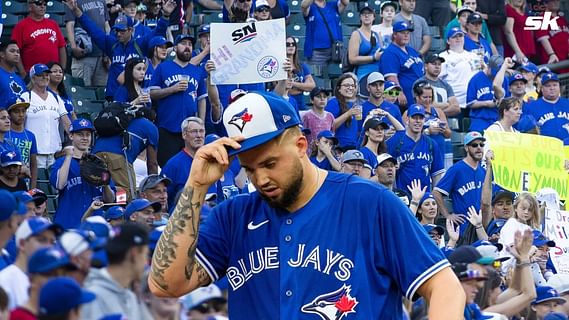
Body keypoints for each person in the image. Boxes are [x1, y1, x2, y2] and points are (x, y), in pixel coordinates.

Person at [148, 91, 466, 318]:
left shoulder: (369, 202)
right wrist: (196, 185)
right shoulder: (233, 215)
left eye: (270, 163)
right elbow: (165, 284)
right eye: (249, 168)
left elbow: (445, 288)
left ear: (302, 145)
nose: (261, 179)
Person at [63, 0, 175, 100]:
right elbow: (92, 28)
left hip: (135, 95)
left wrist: (166, 15)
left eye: (122, 31)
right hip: (114, 96)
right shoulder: (111, 44)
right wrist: (76, 10)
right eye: (116, 30)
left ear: (131, 30)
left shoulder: (140, 44)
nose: (118, 34)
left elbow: (157, 32)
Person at [149, 34, 208, 167]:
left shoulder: (197, 71)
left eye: (190, 44)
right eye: (183, 43)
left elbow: (202, 99)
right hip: (167, 127)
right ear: (175, 47)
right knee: (168, 167)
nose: (187, 47)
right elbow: (152, 93)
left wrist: (201, 123)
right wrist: (172, 89)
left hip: (191, 130)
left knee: (193, 169)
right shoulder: (163, 68)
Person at [50, 119, 116, 229]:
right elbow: (59, 185)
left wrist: (105, 183)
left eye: (88, 134)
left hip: (94, 225)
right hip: (68, 224)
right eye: (80, 134)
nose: (85, 138)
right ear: (71, 136)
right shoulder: (61, 162)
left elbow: (110, 199)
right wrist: (68, 157)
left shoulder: (98, 164)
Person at [81, 223, 152, 320]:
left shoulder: (130, 296)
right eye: (145, 254)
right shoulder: (92, 297)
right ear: (134, 254)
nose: (146, 262)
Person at [92, 101, 159, 201]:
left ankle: (107, 209)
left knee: (102, 190)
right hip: (118, 158)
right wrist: (153, 188)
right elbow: (152, 164)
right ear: (153, 118)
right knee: (127, 194)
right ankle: (119, 211)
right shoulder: (151, 127)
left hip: (95, 154)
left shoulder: (125, 119)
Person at [0, 217, 62, 310]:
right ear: (22, 244)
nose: (48, 247)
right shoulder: (5, 281)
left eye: (52, 242)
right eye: (41, 240)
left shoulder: (50, 282)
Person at [22, 64, 71, 169]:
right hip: (34, 152)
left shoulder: (56, 97)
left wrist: (73, 137)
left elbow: (66, 121)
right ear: (33, 78)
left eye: (47, 75)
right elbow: (19, 123)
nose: (45, 77)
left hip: (54, 152)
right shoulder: (26, 97)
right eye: (41, 75)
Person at [433, 131, 486, 227]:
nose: (479, 148)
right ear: (466, 148)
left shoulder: (483, 171)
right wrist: (447, 215)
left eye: (481, 145)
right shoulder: (456, 169)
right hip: (463, 227)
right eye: (474, 145)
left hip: (481, 225)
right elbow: (436, 192)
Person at [387, 104, 445, 192]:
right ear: (407, 120)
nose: (417, 121)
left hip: (425, 197)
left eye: (420, 118)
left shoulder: (431, 144)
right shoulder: (395, 141)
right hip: (402, 195)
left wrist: (433, 197)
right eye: (414, 118)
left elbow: (436, 174)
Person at [10, 246, 74, 319]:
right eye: (51, 275)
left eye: (63, 275)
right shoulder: (17, 317)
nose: (59, 281)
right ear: (31, 279)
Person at [11, 0, 66, 76]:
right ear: (29, 6)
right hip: (33, 74)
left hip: (53, 73)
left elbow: (61, 47)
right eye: (38, 3)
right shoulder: (20, 26)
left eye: (44, 4)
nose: (42, 6)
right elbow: (15, 51)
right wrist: (22, 72)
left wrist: (62, 69)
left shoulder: (53, 24)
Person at [161, 117, 205, 210]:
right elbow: (164, 199)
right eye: (194, 131)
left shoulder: (212, 161)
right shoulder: (173, 165)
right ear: (184, 135)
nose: (199, 135)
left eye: (201, 131)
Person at [64, 0, 109, 87]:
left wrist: (108, 50)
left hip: (101, 56)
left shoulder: (101, 1)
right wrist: (73, 47)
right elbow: (70, 25)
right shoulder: (74, 1)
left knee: (102, 93)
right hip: (84, 55)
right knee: (83, 91)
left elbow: (106, 25)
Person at [380, 21, 425, 108]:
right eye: (403, 33)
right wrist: (399, 92)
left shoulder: (411, 50)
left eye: (408, 33)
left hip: (419, 96)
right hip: (405, 99)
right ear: (395, 35)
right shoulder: (390, 53)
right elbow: (391, 77)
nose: (406, 35)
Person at [404, 81, 451, 162]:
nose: (428, 100)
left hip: (438, 150)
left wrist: (442, 129)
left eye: (430, 97)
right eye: (425, 97)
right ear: (417, 97)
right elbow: (406, 136)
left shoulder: (438, 112)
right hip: (420, 152)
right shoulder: (408, 113)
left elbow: (448, 134)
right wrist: (427, 131)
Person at [439, 27, 480, 109]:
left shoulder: (474, 56)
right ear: (448, 41)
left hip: (473, 101)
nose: (458, 38)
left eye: (460, 36)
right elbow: (438, 79)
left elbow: (478, 76)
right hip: (455, 102)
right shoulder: (443, 57)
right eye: (454, 37)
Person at [301, 0, 348, 67]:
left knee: (336, 74)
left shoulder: (333, 4)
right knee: (316, 74)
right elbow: (303, 5)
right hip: (316, 51)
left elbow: (346, 2)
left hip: (335, 49)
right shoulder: (310, 6)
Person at [525, 73, 569, 141]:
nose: (552, 88)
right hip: (545, 148)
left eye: (555, 85)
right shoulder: (531, 107)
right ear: (542, 89)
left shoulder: (567, 103)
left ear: (559, 87)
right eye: (548, 86)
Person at [415, 53, 461, 117]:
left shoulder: (446, 85)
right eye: (434, 64)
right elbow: (422, 105)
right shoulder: (419, 83)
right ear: (425, 66)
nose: (437, 67)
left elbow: (456, 108)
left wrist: (439, 114)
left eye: (439, 64)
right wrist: (447, 104)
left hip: (443, 123)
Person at [466, 55, 502, 132]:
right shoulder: (476, 79)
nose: (494, 76)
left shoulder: (503, 79)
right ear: (488, 66)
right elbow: (470, 103)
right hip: (480, 119)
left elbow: (507, 100)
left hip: (498, 119)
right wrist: (486, 103)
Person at [348, 6, 382, 85]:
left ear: (374, 17)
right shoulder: (356, 34)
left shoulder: (377, 35)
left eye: (369, 14)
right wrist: (373, 58)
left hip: (378, 75)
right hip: (363, 75)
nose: (366, 16)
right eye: (363, 14)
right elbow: (352, 59)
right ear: (360, 17)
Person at [325, 74, 360, 150]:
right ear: (339, 88)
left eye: (352, 86)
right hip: (339, 147)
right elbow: (329, 125)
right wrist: (348, 114)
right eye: (347, 85)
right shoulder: (333, 102)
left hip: (354, 146)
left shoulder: (354, 105)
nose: (350, 88)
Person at [535, 0, 569, 71]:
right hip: (553, 62)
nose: (556, 3)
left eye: (557, 1)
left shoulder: (561, 19)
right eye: (553, 1)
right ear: (545, 3)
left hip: (566, 60)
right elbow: (543, 38)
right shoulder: (544, 18)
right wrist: (551, 54)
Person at [301, 87, 334, 152]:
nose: (322, 99)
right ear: (312, 100)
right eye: (318, 97)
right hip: (310, 152)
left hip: (326, 151)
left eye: (324, 97)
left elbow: (332, 134)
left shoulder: (330, 116)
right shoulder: (307, 116)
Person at [287, 36, 316, 111]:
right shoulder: (278, 66)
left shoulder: (302, 66)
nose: (291, 46)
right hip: (286, 102)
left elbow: (312, 86)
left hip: (300, 103)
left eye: (293, 44)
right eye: (287, 44)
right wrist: (302, 87)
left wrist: (293, 84)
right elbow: (283, 89)